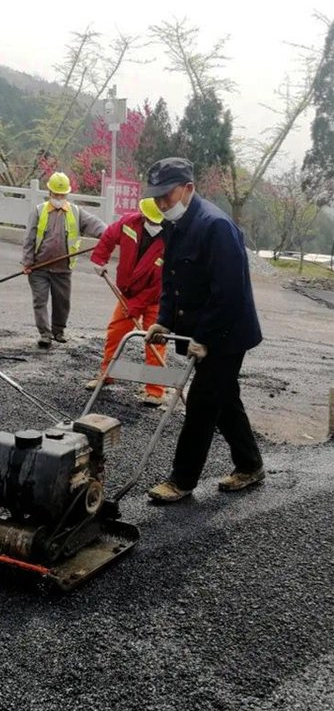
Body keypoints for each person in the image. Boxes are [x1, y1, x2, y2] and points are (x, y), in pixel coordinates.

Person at [142, 157, 264, 502]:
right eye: (157, 197)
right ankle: (250, 464)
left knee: (201, 402)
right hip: (203, 333)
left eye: (167, 195)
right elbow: (172, 279)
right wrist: (165, 319)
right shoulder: (176, 225)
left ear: (189, 188)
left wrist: (206, 338)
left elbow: (229, 293)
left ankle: (182, 480)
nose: (161, 203)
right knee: (224, 399)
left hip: (227, 333)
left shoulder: (216, 226)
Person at [86, 197, 169, 406]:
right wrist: (99, 259)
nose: (150, 223)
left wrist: (135, 306)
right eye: (147, 219)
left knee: (155, 342)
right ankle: (107, 375)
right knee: (115, 333)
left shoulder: (171, 241)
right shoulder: (130, 222)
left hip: (155, 299)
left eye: (155, 221)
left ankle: (155, 391)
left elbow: (157, 286)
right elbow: (109, 236)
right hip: (128, 292)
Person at [22, 172, 106, 348]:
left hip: (63, 269)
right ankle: (45, 334)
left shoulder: (75, 212)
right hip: (39, 268)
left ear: (67, 194)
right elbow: (29, 238)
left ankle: (58, 331)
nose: (59, 198)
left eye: (62, 195)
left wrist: (109, 235)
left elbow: (95, 225)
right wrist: (27, 262)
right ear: (49, 192)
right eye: (56, 194)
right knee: (40, 301)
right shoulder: (39, 211)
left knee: (62, 302)